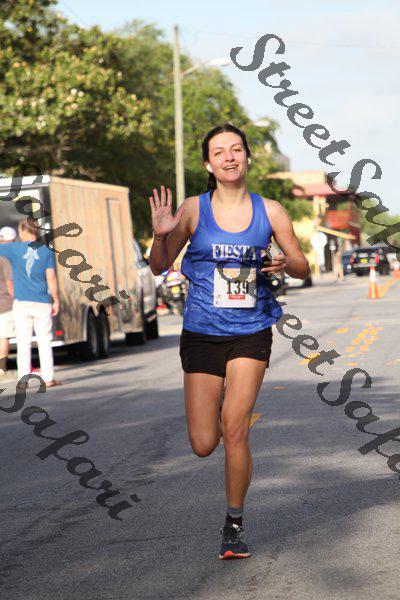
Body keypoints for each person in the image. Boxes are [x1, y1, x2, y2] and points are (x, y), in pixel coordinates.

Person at [149, 123, 310, 560]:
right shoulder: (193, 210)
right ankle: (217, 413)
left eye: (236, 149)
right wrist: (161, 235)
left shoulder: (270, 211)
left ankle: (233, 526)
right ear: (208, 164)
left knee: (235, 428)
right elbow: (159, 266)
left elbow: (302, 267)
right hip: (202, 333)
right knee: (204, 443)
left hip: (250, 332)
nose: (229, 157)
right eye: (219, 152)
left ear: (247, 157)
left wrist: (286, 262)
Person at [0, 218, 61, 388]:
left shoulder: (14, 249)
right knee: (44, 341)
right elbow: (51, 278)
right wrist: (56, 299)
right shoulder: (47, 251)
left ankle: (23, 380)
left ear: (23, 231)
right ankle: (48, 378)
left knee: (23, 342)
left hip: (21, 303)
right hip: (42, 302)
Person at [0, 226, 17, 377]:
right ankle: (1, 368)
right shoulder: (5, 257)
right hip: (4, 303)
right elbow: (9, 283)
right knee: (3, 337)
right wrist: (16, 299)